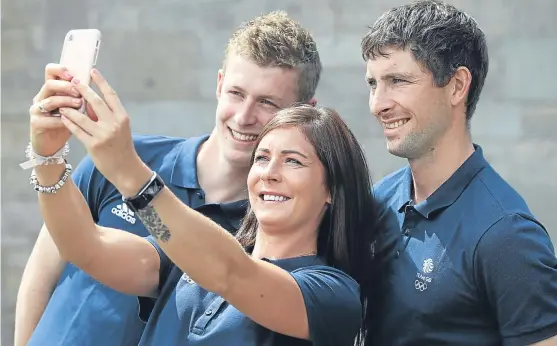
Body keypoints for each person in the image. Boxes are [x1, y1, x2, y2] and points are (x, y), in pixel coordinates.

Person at [16, 11, 323, 346]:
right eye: (236, 93)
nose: (245, 116)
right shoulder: (123, 157)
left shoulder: (271, 229)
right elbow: (46, 269)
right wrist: (47, 156)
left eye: (267, 102)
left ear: (302, 112)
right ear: (219, 84)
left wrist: (124, 170)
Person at [29, 71, 382, 346]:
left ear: (332, 191)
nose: (269, 174)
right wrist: (48, 156)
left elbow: (231, 274)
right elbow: (83, 247)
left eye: (293, 161)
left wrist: (127, 169)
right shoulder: (190, 258)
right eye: (262, 158)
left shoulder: (332, 293)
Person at [362, 1, 557, 345]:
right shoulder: (380, 199)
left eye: (397, 81)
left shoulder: (507, 236)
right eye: (373, 83)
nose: (378, 103)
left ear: (456, 86)